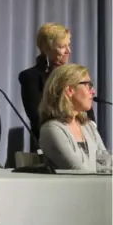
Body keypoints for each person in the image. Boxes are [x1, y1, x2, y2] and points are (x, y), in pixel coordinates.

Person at [18, 22, 95, 150]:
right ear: (46, 48)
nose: (68, 51)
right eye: (62, 47)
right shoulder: (30, 77)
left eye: (69, 45)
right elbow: (39, 117)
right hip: (52, 144)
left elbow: (88, 114)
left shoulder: (75, 76)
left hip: (83, 139)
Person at [38, 64, 106, 170]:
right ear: (70, 90)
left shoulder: (88, 126)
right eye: (88, 85)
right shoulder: (52, 129)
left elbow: (105, 163)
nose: (93, 92)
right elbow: (77, 171)